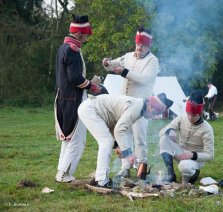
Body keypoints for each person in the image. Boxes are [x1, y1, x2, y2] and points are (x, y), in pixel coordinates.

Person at [78, 93, 173, 188]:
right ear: (149, 104)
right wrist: (128, 154)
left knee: (108, 141)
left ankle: (100, 178)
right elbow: (119, 130)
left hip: (93, 110)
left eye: (158, 114)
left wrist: (117, 146)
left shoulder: (139, 108)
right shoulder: (137, 107)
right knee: (106, 141)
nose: (154, 115)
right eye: (155, 112)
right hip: (90, 110)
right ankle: (102, 181)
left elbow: (113, 123)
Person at [54, 15, 107, 183]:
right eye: (85, 36)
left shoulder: (64, 47)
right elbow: (75, 78)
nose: (86, 39)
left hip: (64, 98)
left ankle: (61, 172)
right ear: (78, 34)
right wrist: (94, 87)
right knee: (77, 140)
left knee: (68, 138)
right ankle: (65, 174)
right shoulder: (72, 49)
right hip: (73, 99)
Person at [102, 26, 159, 178]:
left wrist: (125, 72)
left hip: (142, 106)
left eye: (143, 45)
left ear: (149, 46)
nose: (139, 48)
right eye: (138, 44)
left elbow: (145, 79)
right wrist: (107, 63)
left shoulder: (153, 61)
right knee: (123, 136)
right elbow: (112, 65)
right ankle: (125, 167)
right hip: (125, 105)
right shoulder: (128, 56)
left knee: (139, 138)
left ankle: (141, 168)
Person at [159, 90, 214, 184]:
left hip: (195, 158)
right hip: (181, 152)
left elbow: (210, 156)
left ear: (200, 113)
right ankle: (170, 174)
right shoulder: (181, 118)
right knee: (164, 138)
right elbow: (162, 131)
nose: (190, 118)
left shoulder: (207, 129)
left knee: (184, 166)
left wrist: (192, 155)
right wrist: (170, 130)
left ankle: (194, 172)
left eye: (194, 115)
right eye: (188, 114)